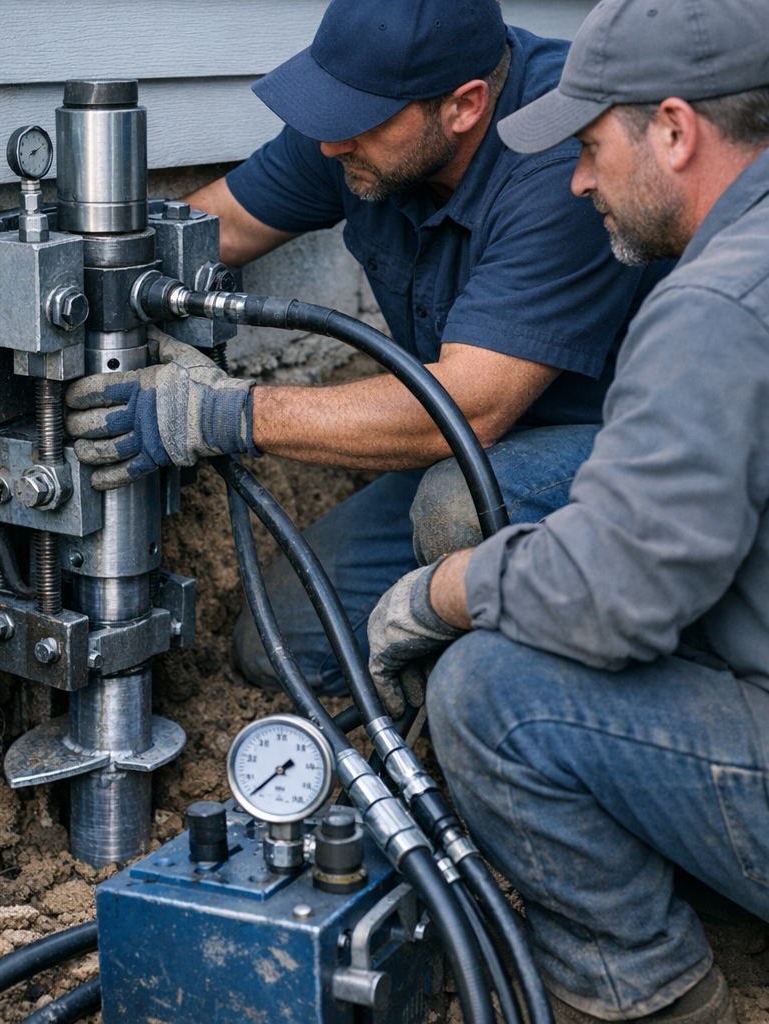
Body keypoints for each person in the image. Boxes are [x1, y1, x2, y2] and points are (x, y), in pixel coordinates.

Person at [65, 0, 670, 695]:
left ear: (465, 106)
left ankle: (506, 710)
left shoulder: (562, 161)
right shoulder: (360, 126)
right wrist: (90, 293)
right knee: (281, 650)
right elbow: (214, 230)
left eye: (355, 120)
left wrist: (216, 417)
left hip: (630, 452)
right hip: (483, 438)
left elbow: (469, 411)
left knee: (457, 507)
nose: (328, 143)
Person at [366, 0, 769, 1021]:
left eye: (590, 147)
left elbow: (617, 595)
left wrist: (450, 589)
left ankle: (645, 995)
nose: (579, 179)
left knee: (491, 695)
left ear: (673, 131)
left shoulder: (713, 306)